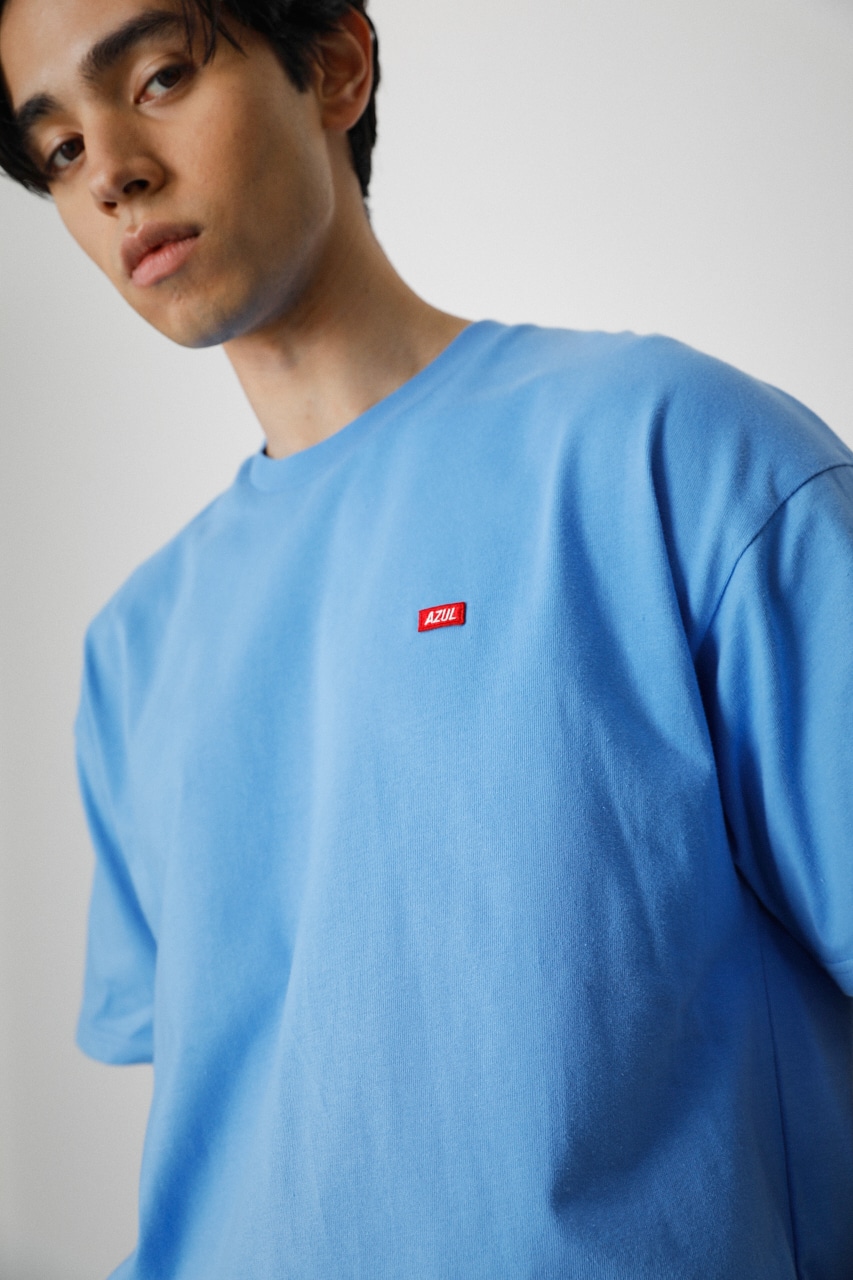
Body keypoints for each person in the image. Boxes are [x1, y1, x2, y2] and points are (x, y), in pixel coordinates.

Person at [1, 0, 852, 1275]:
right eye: (59, 149)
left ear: (336, 65)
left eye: (162, 76)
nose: (112, 171)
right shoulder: (136, 645)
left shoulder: (674, 456)